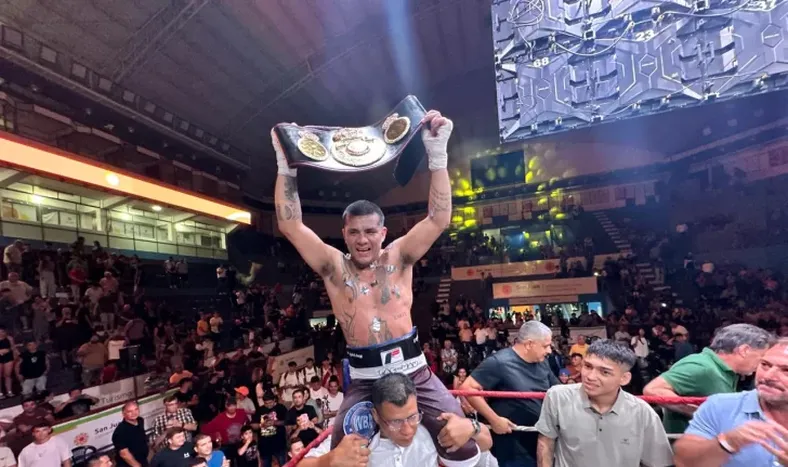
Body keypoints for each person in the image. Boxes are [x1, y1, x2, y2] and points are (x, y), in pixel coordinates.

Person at [271, 110, 478, 464]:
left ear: (383, 233)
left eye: (370, 232)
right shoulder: (334, 267)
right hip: (365, 380)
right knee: (345, 458)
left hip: (414, 370)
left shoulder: (400, 256)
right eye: (354, 232)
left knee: (461, 445)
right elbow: (291, 226)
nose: (362, 240)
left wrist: (437, 154)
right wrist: (285, 166)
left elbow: (439, 218)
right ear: (344, 234)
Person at [299, 373, 493, 467]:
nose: (407, 430)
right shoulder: (356, 437)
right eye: (396, 422)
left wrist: (472, 427)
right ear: (376, 415)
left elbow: (486, 443)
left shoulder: (431, 427)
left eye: (412, 417)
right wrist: (328, 461)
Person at [534, 340, 674, 467]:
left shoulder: (642, 413)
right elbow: (545, 443)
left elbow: (659, 462)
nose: (590, 377)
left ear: (624, 378)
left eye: (605, 372)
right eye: (588, 366)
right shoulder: (558, 397)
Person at [672, 337, 788, 467]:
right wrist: (726, 443)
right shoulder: (720, 406)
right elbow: (684, 462)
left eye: (786, 370)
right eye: (765, 365)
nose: (768, 376)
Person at [643, 323, 775, 434]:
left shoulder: (725, 371)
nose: (761, 365)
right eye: (761, 358)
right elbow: (653, 390)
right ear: (744, 350)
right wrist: (701, 413)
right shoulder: (702, 366)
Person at [461, 321, 559, 467]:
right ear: (529, 344)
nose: (549, 350)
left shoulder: (542, 362)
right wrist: (494, 420)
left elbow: (557, 389)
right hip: (512, 447)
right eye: (545, 346)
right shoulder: (499, 362)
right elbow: (468, 388)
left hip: (540, 440)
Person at [255, 391, 288, 467]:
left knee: (283, 464)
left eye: (270, 402)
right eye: (266, 403)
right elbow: (253, 425)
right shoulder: (260, 410)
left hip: (279, 443)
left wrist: (275, 422)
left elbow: (287, 421)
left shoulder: (281, 408)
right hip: (264, 445)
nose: (268, 405)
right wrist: (261, 425)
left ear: (274, 400)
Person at [112, 402, 149, 467]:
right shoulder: (120, 431)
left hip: (143, 461)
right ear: (124, 414)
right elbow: (124, 454)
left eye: (136, 409)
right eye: (130, 411)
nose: (134, 413)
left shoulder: (140, 420)